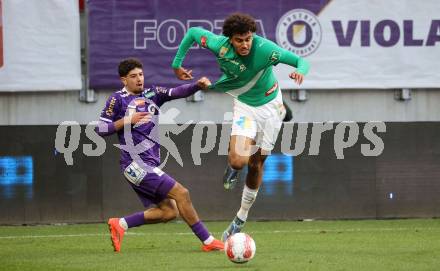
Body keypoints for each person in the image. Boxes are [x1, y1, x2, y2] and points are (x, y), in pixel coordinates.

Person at [171, 13, 310, 241]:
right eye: (239, 40)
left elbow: (301, 61)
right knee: (238, 160)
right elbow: (193, 32)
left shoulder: (266, 49)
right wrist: (176, 65)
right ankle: (233, 167)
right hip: (245, 104)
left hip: (270, 108)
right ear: (230, 39)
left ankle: (240, 218)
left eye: (248, 39)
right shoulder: (219, 45)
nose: (245, 44)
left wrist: (300, 72)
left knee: (256, 165)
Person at [96, 58, 224, 252]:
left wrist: (197, 85)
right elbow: (101, 128)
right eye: (133, 76)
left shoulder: (152, 94)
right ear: (124, 80)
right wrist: (127, 120)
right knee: (182, 193)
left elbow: (176, 92)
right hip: (135, 163)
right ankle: (208, 241)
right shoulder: (117, 99)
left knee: (169, 212)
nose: (139, 79)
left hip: (146, 163)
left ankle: (120, 224)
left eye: (140, 74)